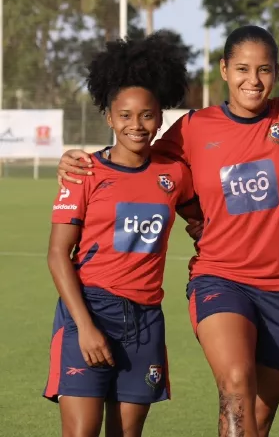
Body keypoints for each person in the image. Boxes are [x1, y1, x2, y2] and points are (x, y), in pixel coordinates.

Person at [55, 25, 279, 437]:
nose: (253, 80)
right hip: (221, 278)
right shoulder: (195, 127)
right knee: (235, 385)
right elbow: (137, 162)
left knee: (259, 418)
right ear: (224, 70)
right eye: (243, 69)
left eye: (264, 69)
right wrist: (81, 162)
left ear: (277, 72)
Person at [43, 32, 199, 437]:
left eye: (147, 115)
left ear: (160, 117)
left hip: (146, 319)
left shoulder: (174, 174)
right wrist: (87, 326)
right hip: (89, 311)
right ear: (109, 117)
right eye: (125, 116)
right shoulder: (84, 173)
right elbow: (58, 255)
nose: (136, 125)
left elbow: (204, 223)